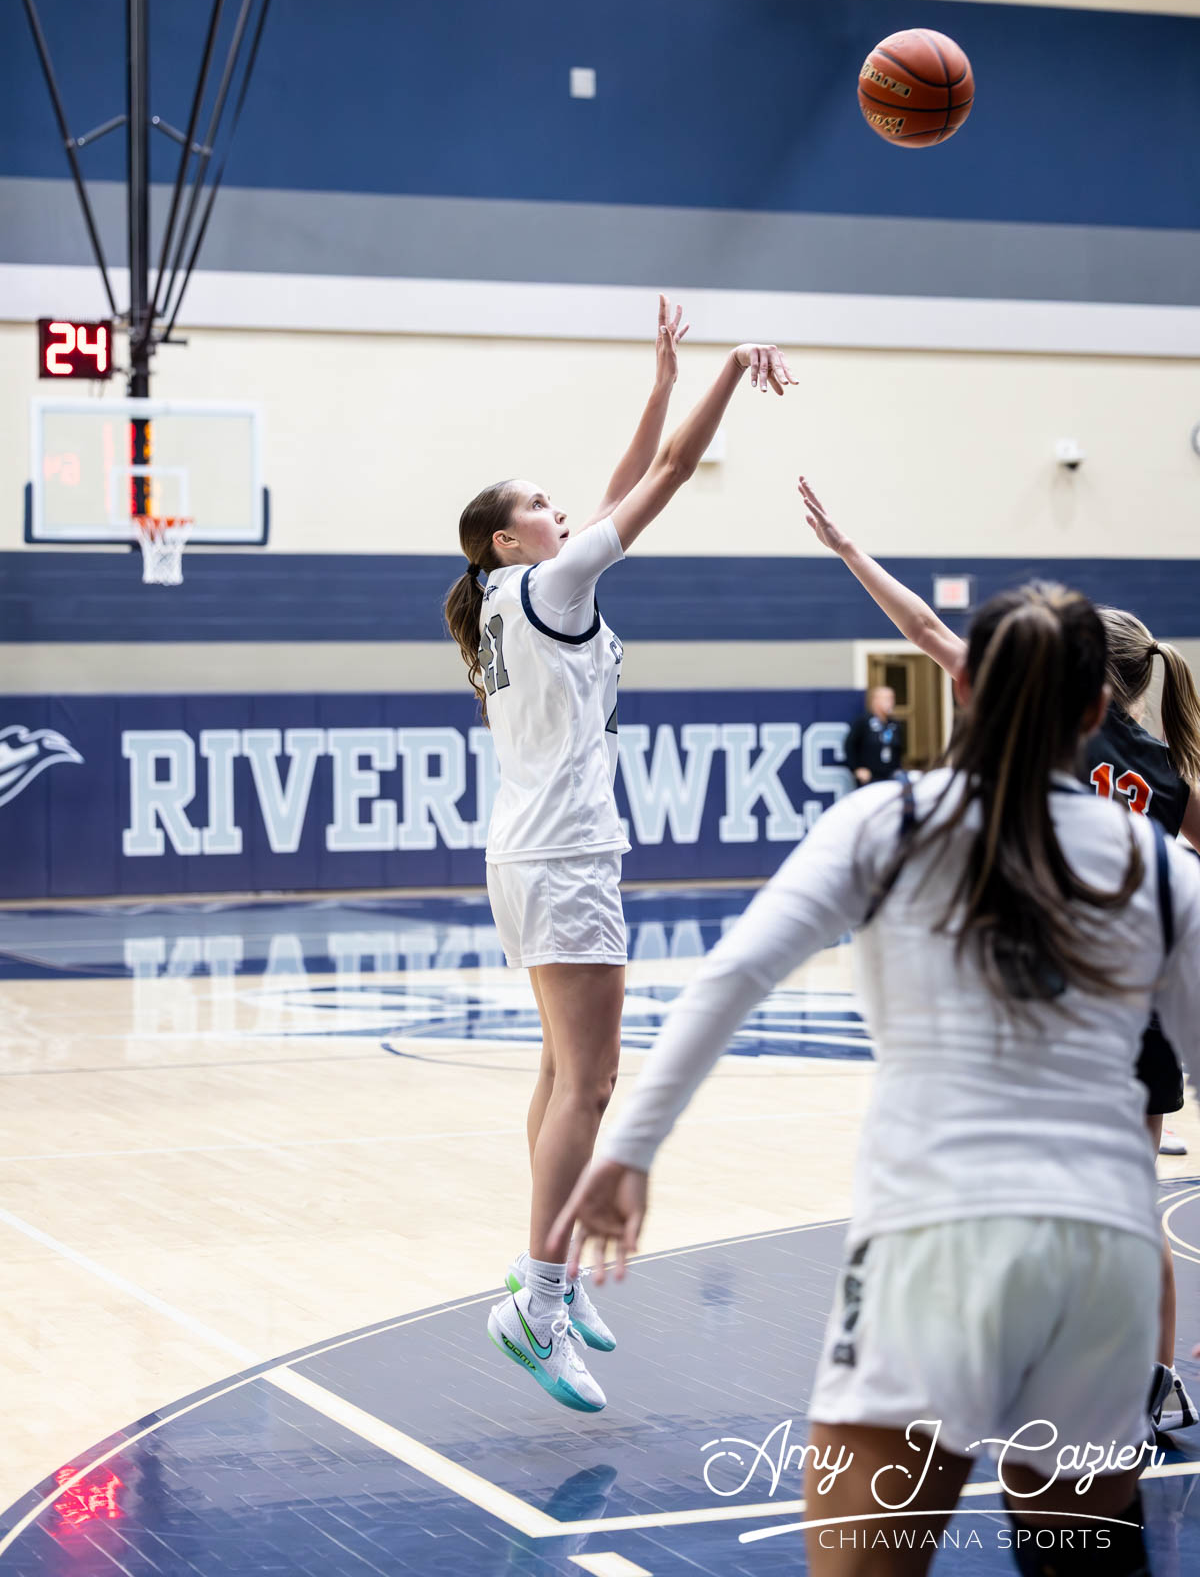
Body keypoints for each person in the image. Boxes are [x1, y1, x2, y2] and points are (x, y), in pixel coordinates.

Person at [560, 582, 1200, 1576]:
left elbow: (734, 975)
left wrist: (630, 1150)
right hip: (1101, 1259)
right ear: (1095, 712)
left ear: (965, 689)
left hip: (934, 1243)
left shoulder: (886, 823)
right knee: (1081, 1559)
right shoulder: (1163, 868)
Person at [442, 297, 795, 1414]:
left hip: (525, 853)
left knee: (561, 1076)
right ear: (508, 539)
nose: (562, 510)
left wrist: (659, 382)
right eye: (539, 504)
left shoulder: (511, 594)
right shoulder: (550, 585)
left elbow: (622, 483)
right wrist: (729, 371)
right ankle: (538, 1297)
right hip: (565, 853)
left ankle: (537, 1274)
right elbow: (671, 475)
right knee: (591, 1083)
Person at [795, 473, 1200, 1435]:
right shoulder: (1167, 773)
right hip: (1136, 1010)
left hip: (1040, 1002)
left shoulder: (1045, 732)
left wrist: (850, 552)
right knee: (1129, 1206)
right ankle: (1152, 1379)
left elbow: (928, 631)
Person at [844, 685, 905, 786]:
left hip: (891, 776)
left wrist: (898, 768)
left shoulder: (894, 725)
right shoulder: (863, 722)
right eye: (886, 698)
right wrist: (857, 769)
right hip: (870, 777)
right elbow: (850, 746)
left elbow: (900, 749)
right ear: (875, 701)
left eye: (892, 698)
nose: (891, 702)